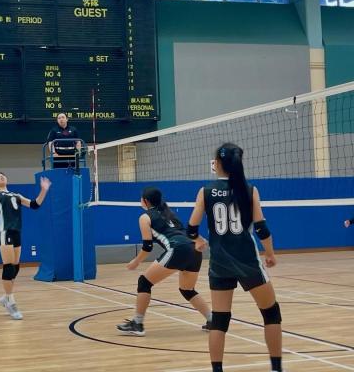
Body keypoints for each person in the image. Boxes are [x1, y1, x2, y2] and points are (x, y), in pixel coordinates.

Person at [187, 143, 282, 372]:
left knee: (219, 320)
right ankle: (276, 369)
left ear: (217, 163)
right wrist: (270, 253)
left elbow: (190, 229)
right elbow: (261, 229)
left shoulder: (205, 191)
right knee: (271, 314)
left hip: (219, 263)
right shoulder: (250, 190)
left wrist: (198, 240)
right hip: (248, 262)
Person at [116, 187, 211, 336]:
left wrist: (136, 261)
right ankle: (212, 321)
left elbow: (147, 247)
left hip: (178, 249)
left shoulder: (145, 217)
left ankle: (137, 324)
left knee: (144, 283)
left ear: (145, 201)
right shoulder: (169, 214)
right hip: (194, 249)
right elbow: (185, 233)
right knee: (187, 289)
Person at [0, 173, 51, 320]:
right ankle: (10, 302)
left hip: (16, 231)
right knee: (8, 266)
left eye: (2, 175)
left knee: (15, 267)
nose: (1, 176)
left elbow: (34, 205)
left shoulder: (16, 195)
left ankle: (6, 297)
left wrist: (44, 190)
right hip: (4, 231)